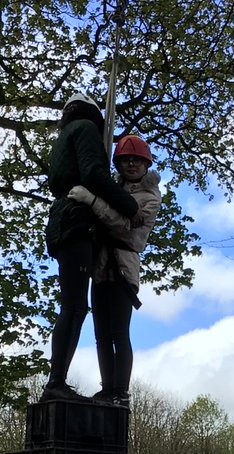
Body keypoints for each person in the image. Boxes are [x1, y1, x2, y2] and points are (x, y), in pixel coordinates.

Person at [42, 92, 139, 402]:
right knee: (74, 307)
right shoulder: (84, 129)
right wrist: (127, 204)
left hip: (62, 221)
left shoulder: (63, 138)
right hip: (76, 221)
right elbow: (93, 174)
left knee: (73, 305)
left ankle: (58, 379)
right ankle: (56, 381)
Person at [66, 133, 161, 407]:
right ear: (118, 165)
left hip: (123, 266)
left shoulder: (150, 199)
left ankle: (121, 391)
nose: (131, 165)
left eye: (137, 161)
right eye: (126, 160)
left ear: (146, 165)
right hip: (101, 266)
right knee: (101, 335)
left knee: (119, 332)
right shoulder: (112, 189)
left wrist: (93, 201)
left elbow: (123, 225)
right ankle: (107, 388)